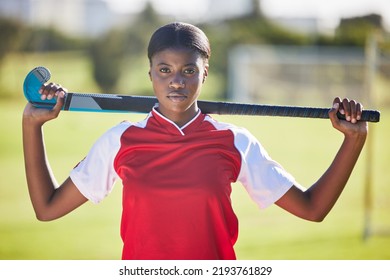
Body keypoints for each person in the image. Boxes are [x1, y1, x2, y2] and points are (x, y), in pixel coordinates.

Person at [22, 22, 368, 260]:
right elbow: (48, 208)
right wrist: (31, 125)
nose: (176, 81)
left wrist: (353, 141)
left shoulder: (234, 141)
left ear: (204, 73)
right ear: (150, 73)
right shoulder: (121, 140)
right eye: (164, 70)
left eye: (188, 70)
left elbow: (312, 208)